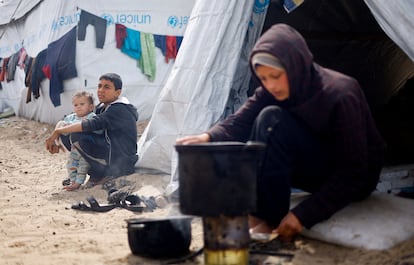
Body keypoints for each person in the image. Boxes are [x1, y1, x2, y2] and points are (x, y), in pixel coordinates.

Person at [176, 24, 385, 242]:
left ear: (295, 66)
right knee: (267, 119)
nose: (271, 85)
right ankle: (263, 216)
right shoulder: (272, 91)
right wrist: (206, 137)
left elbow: (354, 172)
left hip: (355, 179)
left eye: (275, 76)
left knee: (274, 121)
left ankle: (265, 219)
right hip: (316, 172)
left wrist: (303, 215)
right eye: (264, 79)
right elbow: (241, 122)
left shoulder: (341, 94)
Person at [46, 73, 139, 186]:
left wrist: (57, 131)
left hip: (121, 164)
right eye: (99, 86)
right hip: (109, 155)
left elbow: (89, 124)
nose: (100, 90)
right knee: (68, 131)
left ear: (118, 92)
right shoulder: (103, 106)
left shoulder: (119, 109)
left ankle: (99, 174)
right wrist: (57, 132)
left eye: (106, 87)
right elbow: (70, 119)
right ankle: (91, 174)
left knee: (76, 134)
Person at [55, 91, 102, 191]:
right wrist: (56, 138)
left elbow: (97, 130)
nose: (78, 107)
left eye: (82, 104)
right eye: (76, 105)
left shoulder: (92, 117)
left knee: (82, 166)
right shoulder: (71, 117)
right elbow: (61, 124)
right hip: (75, 149)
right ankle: (73, 181)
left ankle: (77, 183)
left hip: (87, 149)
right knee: (70, 165)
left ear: (90, 107)